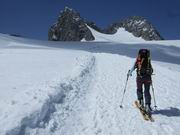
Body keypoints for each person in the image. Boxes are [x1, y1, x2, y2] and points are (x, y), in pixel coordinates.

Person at [128, 49, 153, 113]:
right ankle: (147, 105)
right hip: (147, 78)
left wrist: (129, 73)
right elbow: (151, 70)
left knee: (139, 89)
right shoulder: (148, 60)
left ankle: (141, 101)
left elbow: (133, 67)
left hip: (139, 78)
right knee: (147, 91)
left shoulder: (138, 60)